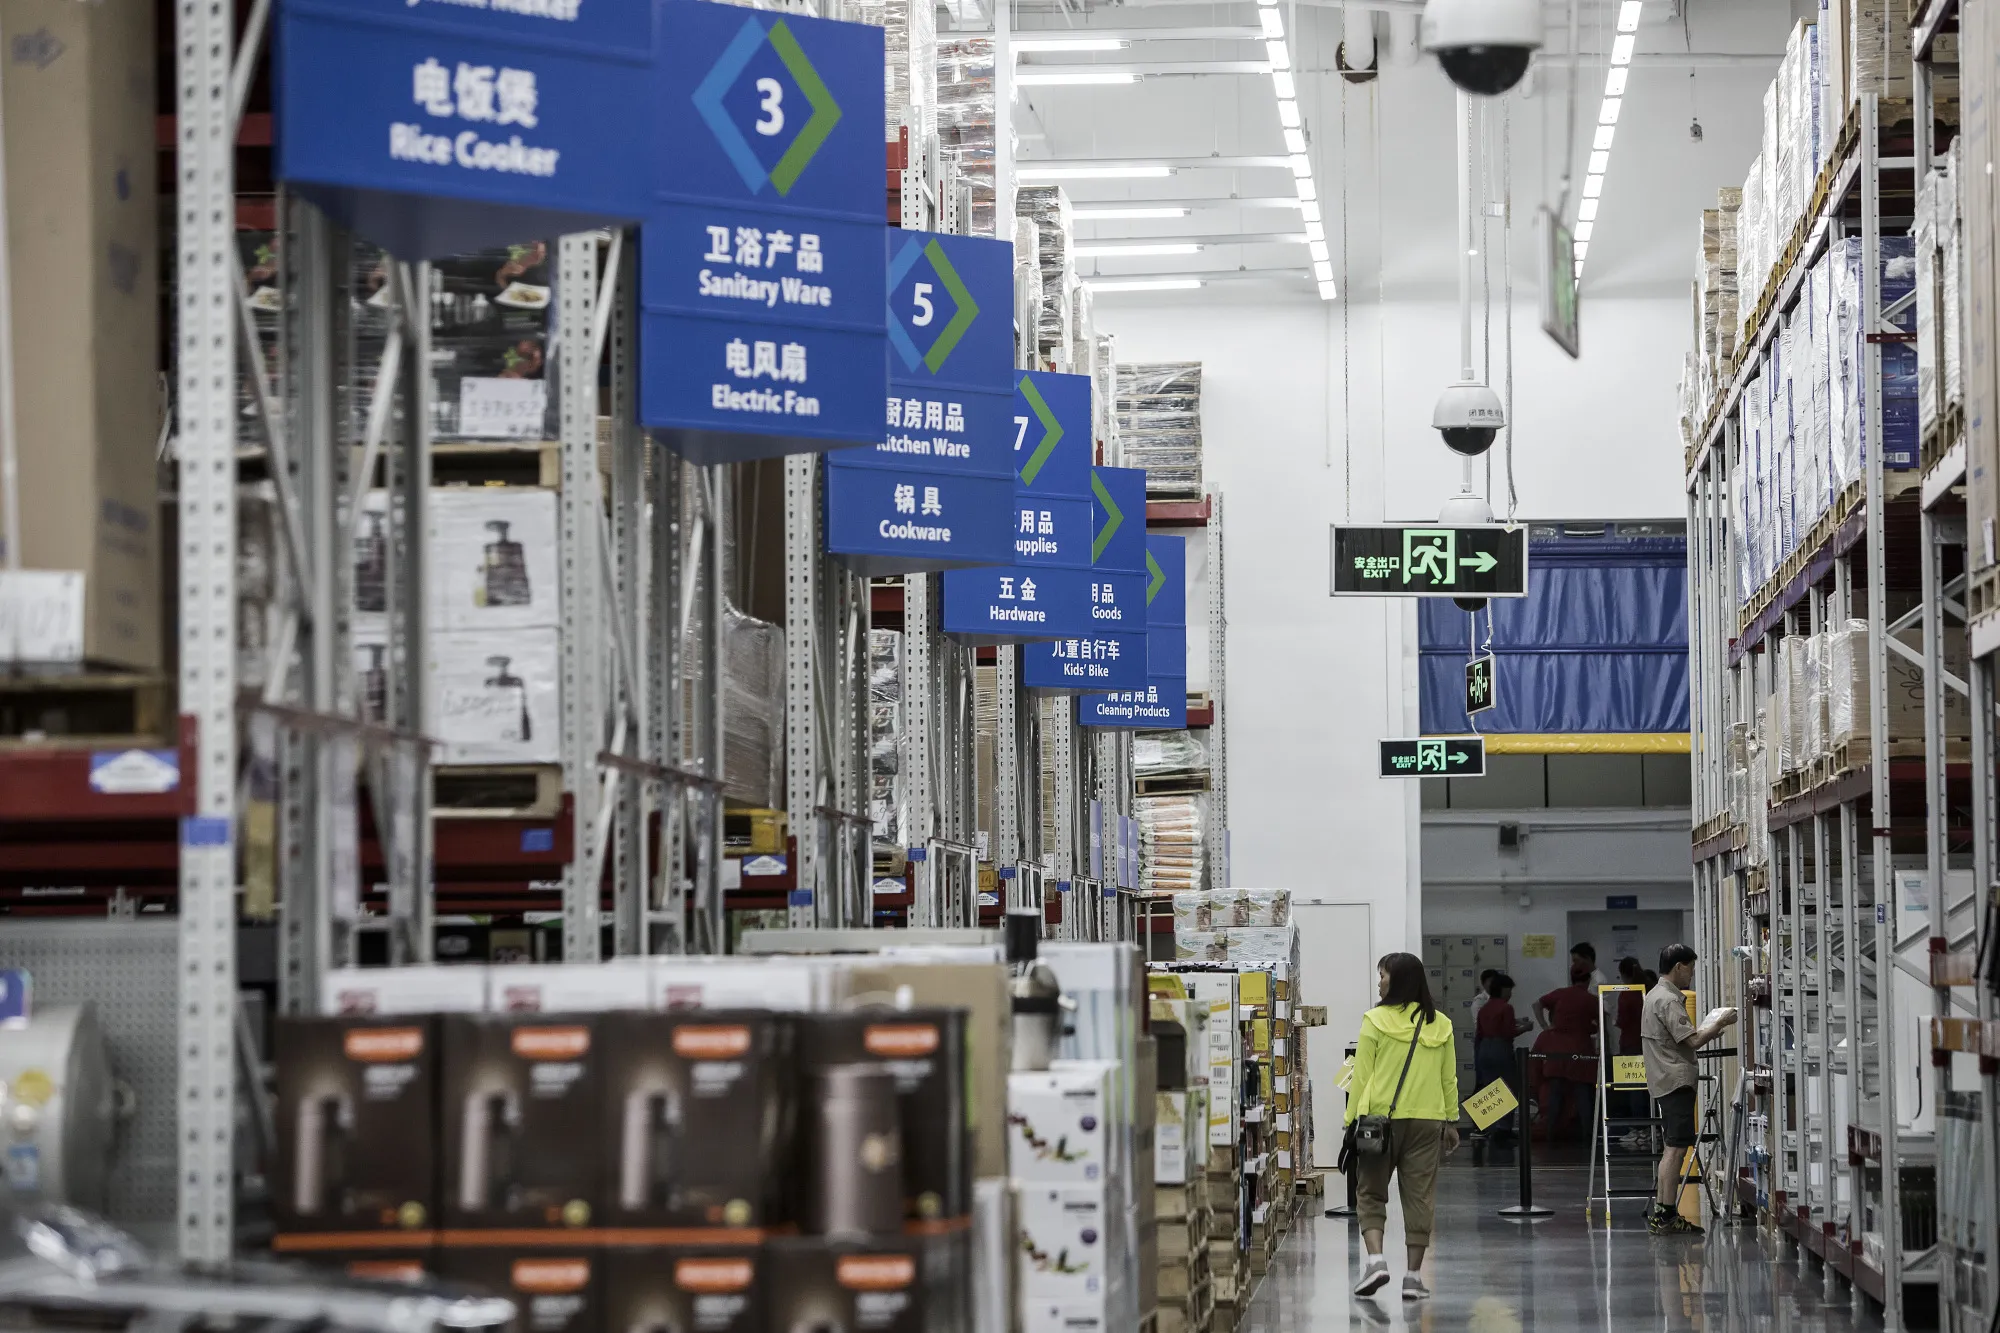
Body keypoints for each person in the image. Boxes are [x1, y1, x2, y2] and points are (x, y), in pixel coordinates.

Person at [1346, 952, 1459, 1302]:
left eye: (1383, 975)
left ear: (1397, 980)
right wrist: (1452, 1121)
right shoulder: (1440, 1023)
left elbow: (1361, 1077)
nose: (1379, 981)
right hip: (1428, 1121)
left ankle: (1376, 1261)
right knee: (1420, 1197)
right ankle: (1413, 1277)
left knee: (1370, 1191)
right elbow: (1448, 1078)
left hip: (1381, 1123)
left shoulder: (1375, 1020)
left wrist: (1350, 1122)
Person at [1643, 943, 1739, 1236]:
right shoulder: (1669, 1000)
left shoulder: (1653, 995)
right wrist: (1720, 1021)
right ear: (1678, 967)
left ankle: (1663, 1213)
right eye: (1691, 968)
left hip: (1663, 1080)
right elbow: (1693, 1041)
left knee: (1671, 1148)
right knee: (1675, 1149)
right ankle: (1667, 1216)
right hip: (1676, 1081)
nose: (1692, 974)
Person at [1531, 964, 1600, 1139]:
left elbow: (1536, 1004)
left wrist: (1546, 1027)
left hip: (1557, 1052)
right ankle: (1588, 1138)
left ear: (1571, 978)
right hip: (1581, 1051)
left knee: (1555, 1095)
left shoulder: (1559, 994)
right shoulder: (1591, 1000)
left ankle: (1551, 1135)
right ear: (1588, 980)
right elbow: (1601, 1025)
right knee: (1583, 1095)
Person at [1473, 972, 1533, 1141]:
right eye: (1509, 990)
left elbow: (1481, 1032)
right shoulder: (1506, 1007)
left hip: (1484, 1048)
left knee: (1492, 1090)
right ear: (1503, 989)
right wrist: (1526, 1028)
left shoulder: (1484, 1008)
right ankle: (1504, 1129)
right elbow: (1508, 1032)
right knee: (1509, 1088)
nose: (1511, 994)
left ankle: (1490, 1128)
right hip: (1500, 1049)